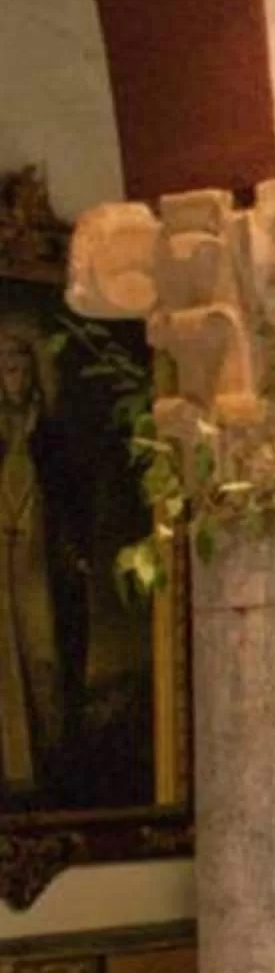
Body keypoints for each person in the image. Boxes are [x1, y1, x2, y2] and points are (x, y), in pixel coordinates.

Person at [0, 320, 64, 796]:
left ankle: (53, 756)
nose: (14, 375)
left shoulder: (49, 429)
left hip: (39, 555)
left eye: (20, 363)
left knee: (42, 654)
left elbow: (67, 492)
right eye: (5, 367)